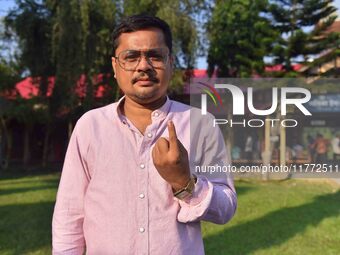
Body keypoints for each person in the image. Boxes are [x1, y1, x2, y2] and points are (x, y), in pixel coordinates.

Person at [52, 15, 237, 255]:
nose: (143, 66)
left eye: (155, 56)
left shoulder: (201, 124)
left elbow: (226, 209)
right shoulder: (90, 126)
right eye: (131, 57)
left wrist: (184, 182)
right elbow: (70, 213)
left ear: (170, 62)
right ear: (115, 67)